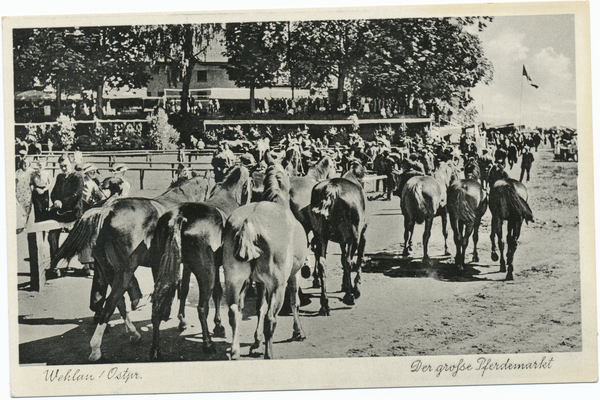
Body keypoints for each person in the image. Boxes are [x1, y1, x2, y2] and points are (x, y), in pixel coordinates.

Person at [48, 155, 84, 272]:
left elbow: (76, 194)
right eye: (61, 166)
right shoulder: (60, 177)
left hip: (73, 212)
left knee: (74, 238)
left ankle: (81, 264)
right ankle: (54, 263)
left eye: (66, 166)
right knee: (52, 236)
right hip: (60, 213)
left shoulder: (77, 177)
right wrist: (56, 201)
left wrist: (62, 203)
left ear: (71, 164)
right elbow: (53, 193)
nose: (64, 168)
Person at [30, 158, 53, 222]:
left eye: (42, 165)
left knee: (45, 209)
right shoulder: (33, 174)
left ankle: (44, 229)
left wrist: (44, 189)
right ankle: (37, 225)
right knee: (37, 209)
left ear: (45, 165)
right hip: (36, 191)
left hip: (44, 191)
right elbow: (31, 183)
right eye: (39, 165)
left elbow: (50, 183)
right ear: (37, 165)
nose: (40, 166)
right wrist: (35, 189)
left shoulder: (47, 174)